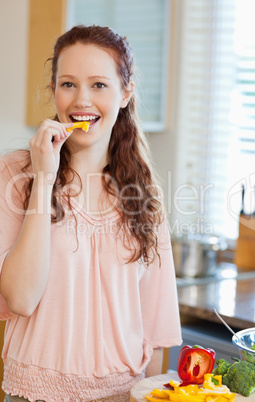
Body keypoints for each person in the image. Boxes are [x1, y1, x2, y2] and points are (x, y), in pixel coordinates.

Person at [0, 25, 182, 401]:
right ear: (54, 91)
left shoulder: (145, 194)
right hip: (33, 394)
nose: (81, 100)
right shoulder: (16, 175)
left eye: (99, 84)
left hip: (125, 392)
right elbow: (19, 298)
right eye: (68, 84)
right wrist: (45, 177)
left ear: (125, 93)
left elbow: (156, 325)